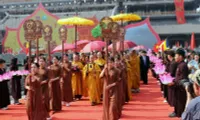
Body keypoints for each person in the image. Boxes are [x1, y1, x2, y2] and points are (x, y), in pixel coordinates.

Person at [168, 48, 189, 118]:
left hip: (181, 87)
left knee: (180, 101)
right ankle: (176, 112)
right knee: (177, 100)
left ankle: (180, 114)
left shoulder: (183, 65)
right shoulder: (179, 64)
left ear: (180, 56)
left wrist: (174, 83)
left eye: (176, 55)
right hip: (177, 86)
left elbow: (183, 78)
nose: (175, 57)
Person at [166, 50, 178, 117]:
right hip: (172, 81)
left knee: (174, 97)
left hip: (173, 82)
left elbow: (171, 73)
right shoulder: (172, 62)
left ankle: (176, 111)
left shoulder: (173, 63)